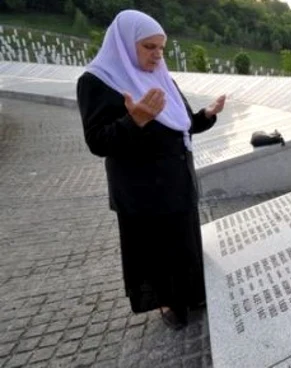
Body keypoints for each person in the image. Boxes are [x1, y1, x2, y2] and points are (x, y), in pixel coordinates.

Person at [76, 9, 226, 330]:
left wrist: (207, 115)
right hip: (142, 192)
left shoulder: (161, 77)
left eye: (161, 48)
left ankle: (191, 294)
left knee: (183, 245)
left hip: (177, 185)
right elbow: (98, 141)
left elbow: (181, 124)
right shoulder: (98, 81)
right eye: (149, 47)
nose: (157, 55)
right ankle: (168, 303)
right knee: (156, 253)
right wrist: (135, 120)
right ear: (125, 44)